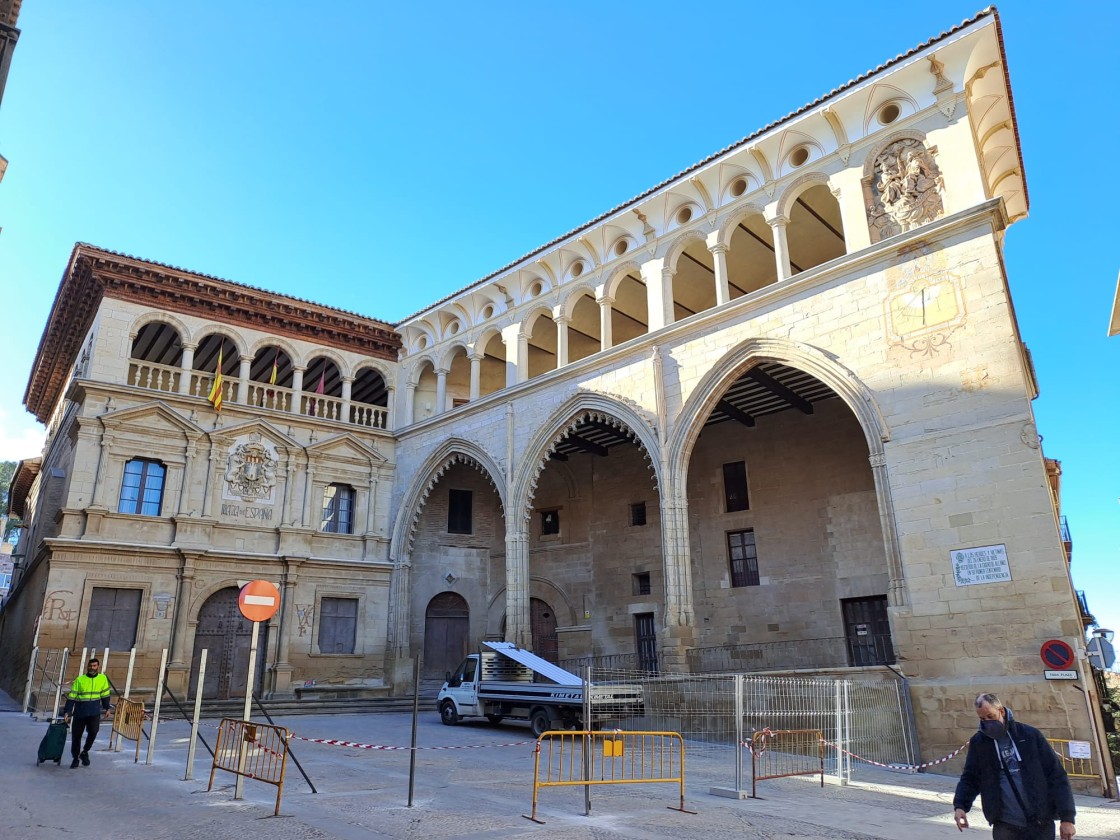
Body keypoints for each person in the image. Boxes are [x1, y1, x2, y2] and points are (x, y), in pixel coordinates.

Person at [953, 692, 1076, 840]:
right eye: (982, 719)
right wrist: (960, 806)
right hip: (1005, 825)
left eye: (991, 716)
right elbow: (970, 778)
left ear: (1002, 711)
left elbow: (1056, 776)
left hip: (1040, 821)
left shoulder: (1030, 736)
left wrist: (1067, 818)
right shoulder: (979, 743)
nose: (987, 722)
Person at [63, 657, 112, 769]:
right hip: (80, 713)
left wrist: (107, 708)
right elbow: (72, 697)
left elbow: (105, 694)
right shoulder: (80, 680)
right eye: (90, 666)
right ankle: (75, 758)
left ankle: (85, 752)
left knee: (93, 732)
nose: (92, 668)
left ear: (98, 667)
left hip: (94, 712)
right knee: (76, 736)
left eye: (94, 666)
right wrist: (67, 712)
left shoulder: (102, 679)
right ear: (87, 666)